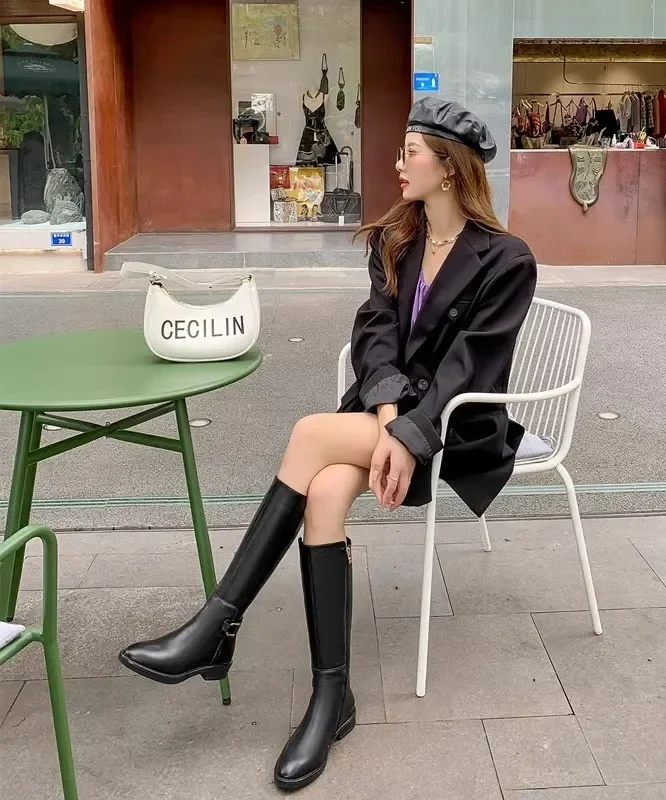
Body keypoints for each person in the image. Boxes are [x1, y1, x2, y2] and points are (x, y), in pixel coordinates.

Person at [117, 97, 537, 790]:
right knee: (325, 491)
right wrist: (386, 415)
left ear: (451, 167)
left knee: (310, 433)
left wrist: (408, 432)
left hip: (455, 430)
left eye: (411, 152)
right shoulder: (394, 238)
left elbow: (473, 368)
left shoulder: (506, 260)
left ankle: (217, 624)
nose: (397, 163)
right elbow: (372, 333)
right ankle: (329, 693)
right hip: (392, 416)